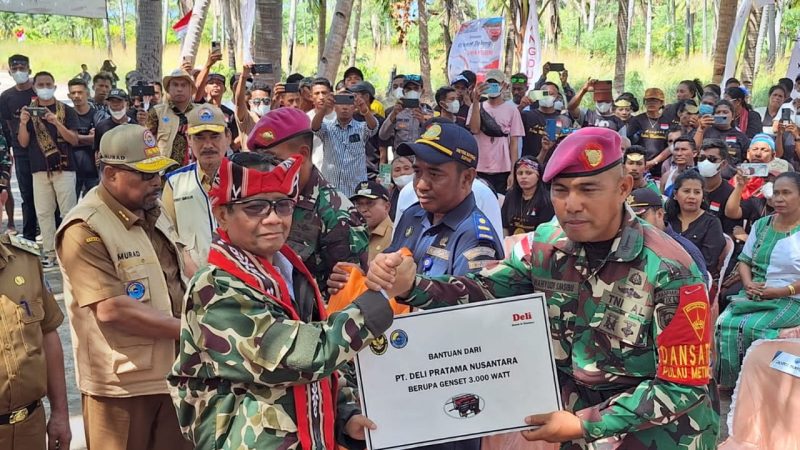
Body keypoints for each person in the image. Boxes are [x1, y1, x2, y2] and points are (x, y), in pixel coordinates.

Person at [368, 126, 718, 449]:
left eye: (588, 189)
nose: (572, 204)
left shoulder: (672, 270)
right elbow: (483, 291)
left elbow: (681, 385)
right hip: (574, 427)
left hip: (658, 435)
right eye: (561, 191)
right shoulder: (546, 245)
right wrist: (413, 286)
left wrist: (586, 425)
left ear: (623, 188)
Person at [167, 154, 389, 448]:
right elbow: (300, 358)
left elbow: (318, 369)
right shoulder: (217, 287)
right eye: (255, 207)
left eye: (282, 205)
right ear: (221, 214)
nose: (273, 218)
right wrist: (384, 296)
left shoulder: (288, 270)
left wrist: (345, 415)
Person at [55, 124, 191, 450]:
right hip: (122, 388)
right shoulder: (84, 226)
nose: (156, 181)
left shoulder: (151, 210)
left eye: (158, 172)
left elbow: (180, 272)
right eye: (145, 175)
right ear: (112, 173)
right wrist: (193, 330)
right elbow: (111, 308)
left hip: (175, 374)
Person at [248, 107, 369, 293]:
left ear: (303, 154)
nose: (267, 169)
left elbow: (350, 294)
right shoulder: (265, 200)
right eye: (260, 160)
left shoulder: (337, 214)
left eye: (274, 160)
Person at [389, 121, 504, 278]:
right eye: (417, 172)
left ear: (466, 178)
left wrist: (408, 287)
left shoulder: (475, 239)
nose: (421, 185)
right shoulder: (412, 215)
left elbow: (463, 298)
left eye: (435, 174)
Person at [716, 172, 800, 387]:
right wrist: (748, 284)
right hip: (755, 293)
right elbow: (745, 260)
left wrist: (783, 291)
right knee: (724, 323)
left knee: (752, 327)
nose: (778, 199)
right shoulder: (762, 225)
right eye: (776, 193)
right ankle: (734, 384)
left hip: (792, 297)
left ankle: (763, 381)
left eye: (786, 193)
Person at [0, 232, 71, 450]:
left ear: (2, 201)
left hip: (30, 428)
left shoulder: (26, 260)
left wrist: (60, 412)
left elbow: (48, 333)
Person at [18, 71, 80, 268]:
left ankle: (71, 251)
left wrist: (56, 122)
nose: (45, 87)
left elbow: (74, 139)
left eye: (48, 84)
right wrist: (23, 122)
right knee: (44, 212)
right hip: (39, 169)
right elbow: (23, 142)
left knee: (68, 211)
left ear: (54, 86)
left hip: (65, 168)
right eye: (41, 84)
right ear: (35, 87)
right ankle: (50, 252)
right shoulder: (30, 110)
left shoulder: (66, 110)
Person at [163, 105, 230, 267]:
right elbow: (167, 235)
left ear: (228, 137)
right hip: (193, 282)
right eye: (199, 137)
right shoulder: (175, 182)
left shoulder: (244, 177)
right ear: (189, 140)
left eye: (215, 136)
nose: (208, 145)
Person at [628, 187, 708, 284]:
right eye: (630, 218)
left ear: (660, 214)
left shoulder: (684, 250)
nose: (634, 223)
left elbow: (700, 290)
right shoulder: (626, 243)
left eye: (640, 218)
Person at [312, 89, 378, 198]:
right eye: (340, 103)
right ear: (334, 106)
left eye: (349, 103)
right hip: (330, 190)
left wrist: (365, 109)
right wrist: (324, 109)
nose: (345, 107)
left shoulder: (361, 128)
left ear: (354, 107)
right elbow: (314, 127)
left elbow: (373, 127)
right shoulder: (327, 127)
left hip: (356, 191)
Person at [468, 70, 524, 194]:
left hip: (502, 168)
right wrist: (476, 100)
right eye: (489, 83)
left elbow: (514, 143)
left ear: (503, 85)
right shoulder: (476, 106)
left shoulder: (512, 110)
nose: (493, 87)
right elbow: (474, 129)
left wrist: (512, 172)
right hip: (479, 166)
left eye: (496, 84)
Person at [0, 54, 36, 238]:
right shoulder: (6, 97)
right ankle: (29, 233)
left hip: (42, 150)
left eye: (22, 68)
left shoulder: (38, 92)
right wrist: (11, 149)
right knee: (26, 192)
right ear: (10, 71)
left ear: (29, 69)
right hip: (21, 151)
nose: (19, 71)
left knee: (46, 193)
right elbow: (6, 125)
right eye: (15, 69)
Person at [665, 170, 725, 277]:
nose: (692, 196)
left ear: (702, 196)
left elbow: (708, 262)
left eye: (697, 192)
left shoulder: (712, 223)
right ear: (675, 194)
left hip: (696, 277)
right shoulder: (667, 219)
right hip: (663, 272)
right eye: (687, 191)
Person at [147, 68, 197, 165]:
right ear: (168, 88)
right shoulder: (157, 112)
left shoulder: (200, 112)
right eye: (175, 85)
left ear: (191, 89)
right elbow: (146, 142)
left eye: (183, 85)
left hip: (195, 171)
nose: (179, 89)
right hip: (165, 171)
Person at [501, 156, 554, 236]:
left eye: (529, 173)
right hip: (510, 243)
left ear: (538, 176)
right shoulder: (510, 196)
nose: (523, 177)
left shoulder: (546, 200)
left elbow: (544, 233)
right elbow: (504, 225)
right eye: (520, 173)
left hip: (535, 243)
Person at [520, 81, 573, 159]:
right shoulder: (526, 116)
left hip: (554, 165)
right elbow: (508, 124)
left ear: (557, 97)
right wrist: (521, 106)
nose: (547, 96)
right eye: (544, 93)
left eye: (551, 94)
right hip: (530, 166)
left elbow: (567, 145)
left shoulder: (563, 120)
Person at [627, 87, 671, 178]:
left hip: (662, 167)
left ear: (661, 103)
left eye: (655, 101)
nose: (651, 103)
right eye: (648, 101)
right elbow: (630, 142)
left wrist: (654, 161)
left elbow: (671, 145)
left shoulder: (668, 121)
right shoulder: (637, 120)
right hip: (640, 165)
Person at [67, 78, 100, 197]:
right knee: (70, 210)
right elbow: (67, 139)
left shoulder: (97, 115)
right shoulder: (66, 115)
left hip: (93, 171)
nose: (76, 96)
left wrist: (75, 137)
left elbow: (98, 138)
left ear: (87, 93)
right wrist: (87, 138)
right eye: (73, 93)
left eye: (80, 92)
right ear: (68, 95)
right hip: (71, 170)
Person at [698, 139, 739, 234]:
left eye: (712, 159)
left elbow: (730, 233)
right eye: (701, 158)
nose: (705, 163)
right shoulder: (688, 186)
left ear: (723, 164)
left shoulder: (730, 194)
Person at [379, 74, 430, 150]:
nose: (412, 91)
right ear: (403, 91)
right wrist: (393, 115)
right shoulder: (396, 111)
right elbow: (383, 136)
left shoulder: (429, 112)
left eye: (416, 88)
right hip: (401, 157)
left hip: (422, 156)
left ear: (422, 91)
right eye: (408, 89)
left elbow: (436, 138)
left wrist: (423, 122)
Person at [693, 100, 750, 164]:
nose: (721, 115)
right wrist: (700, 129)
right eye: (718, 112)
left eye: (725, 112)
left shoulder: (741, 136)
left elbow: (747, 159)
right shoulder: (705, 132)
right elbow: (694, 151)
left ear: (733, 117)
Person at [350, 180, 393, 262]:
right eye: (358, 204)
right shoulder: (352, 232)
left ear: (386, 207)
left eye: (370, 203)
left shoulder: (394, 235)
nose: (363, 210)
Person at [306, 77, 336, 170]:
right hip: (314, 171)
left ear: (331, 94)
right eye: (317, 93)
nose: (321, 97)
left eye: (324, 93)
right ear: (311, 97)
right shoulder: (306, 118)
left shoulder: (340, 117)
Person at [389, 154, 414, 220]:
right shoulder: (390, 195)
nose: (402, 172)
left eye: (406, 168)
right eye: (397, 170)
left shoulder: (422, 193)